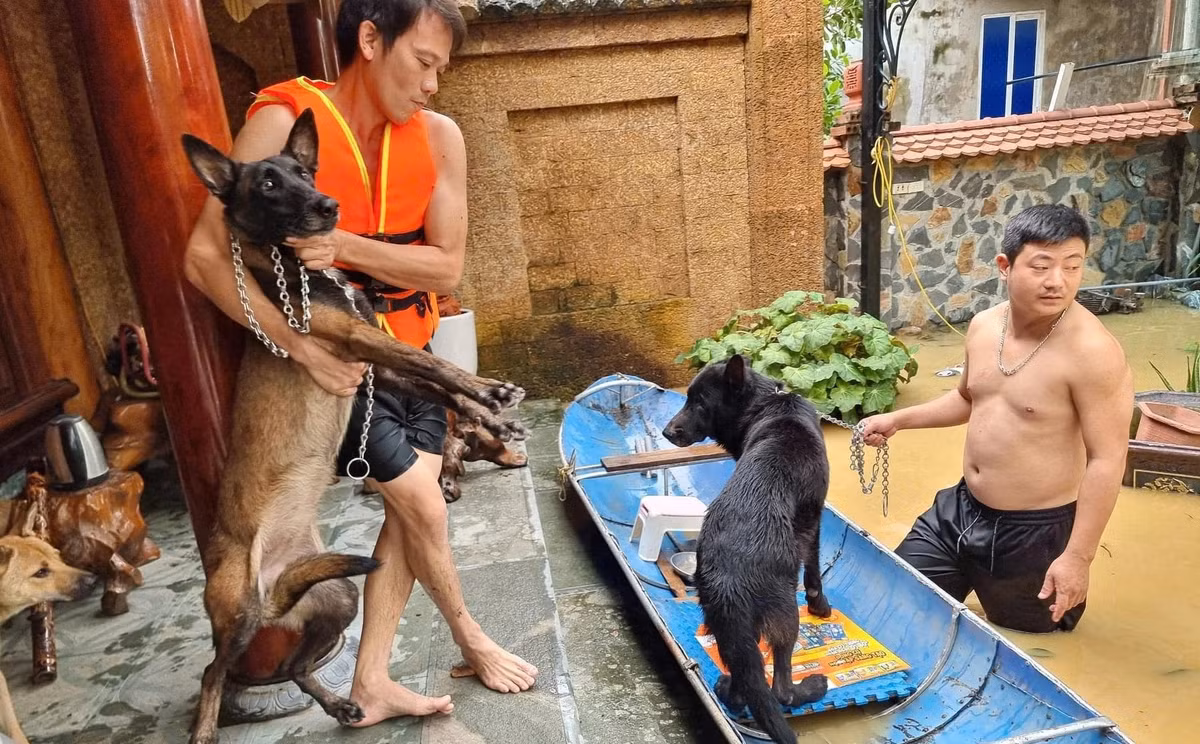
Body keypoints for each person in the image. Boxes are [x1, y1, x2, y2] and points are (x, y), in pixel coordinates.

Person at [184, 0, 537, 726]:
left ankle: (372, 678)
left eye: (442, 70)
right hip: (334, 364)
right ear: (371, 39)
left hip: (410, 346)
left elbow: (446, 266)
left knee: (407, 520)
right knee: (423, 505)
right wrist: (300, 346)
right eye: (423, 62)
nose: (432, 84)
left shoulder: (439, 136)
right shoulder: (284, 117)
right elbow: (206, 257)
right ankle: (470, 636)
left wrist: (342, 245)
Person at [860, 203, 1133, 633]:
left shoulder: (1093, 353)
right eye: (1041, 266)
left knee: (1031, 642)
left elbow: (1108, 459)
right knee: (890, 600)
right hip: (960, 509)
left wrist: (1078, 557)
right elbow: (969, 398)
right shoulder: (984, 326)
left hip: (1034, 533)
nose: (1057, 281)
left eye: (1072, 266)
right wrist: (899, 420)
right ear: (1005, 266)